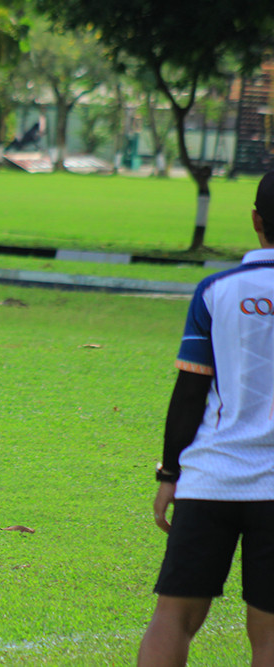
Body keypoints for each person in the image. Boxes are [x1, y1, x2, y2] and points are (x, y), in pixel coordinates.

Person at [137, 172, 274, 666]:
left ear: (256, 220)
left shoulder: (217, 290)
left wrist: (170, 473)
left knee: (173, 619)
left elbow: (190, 391)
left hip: (211, 480)